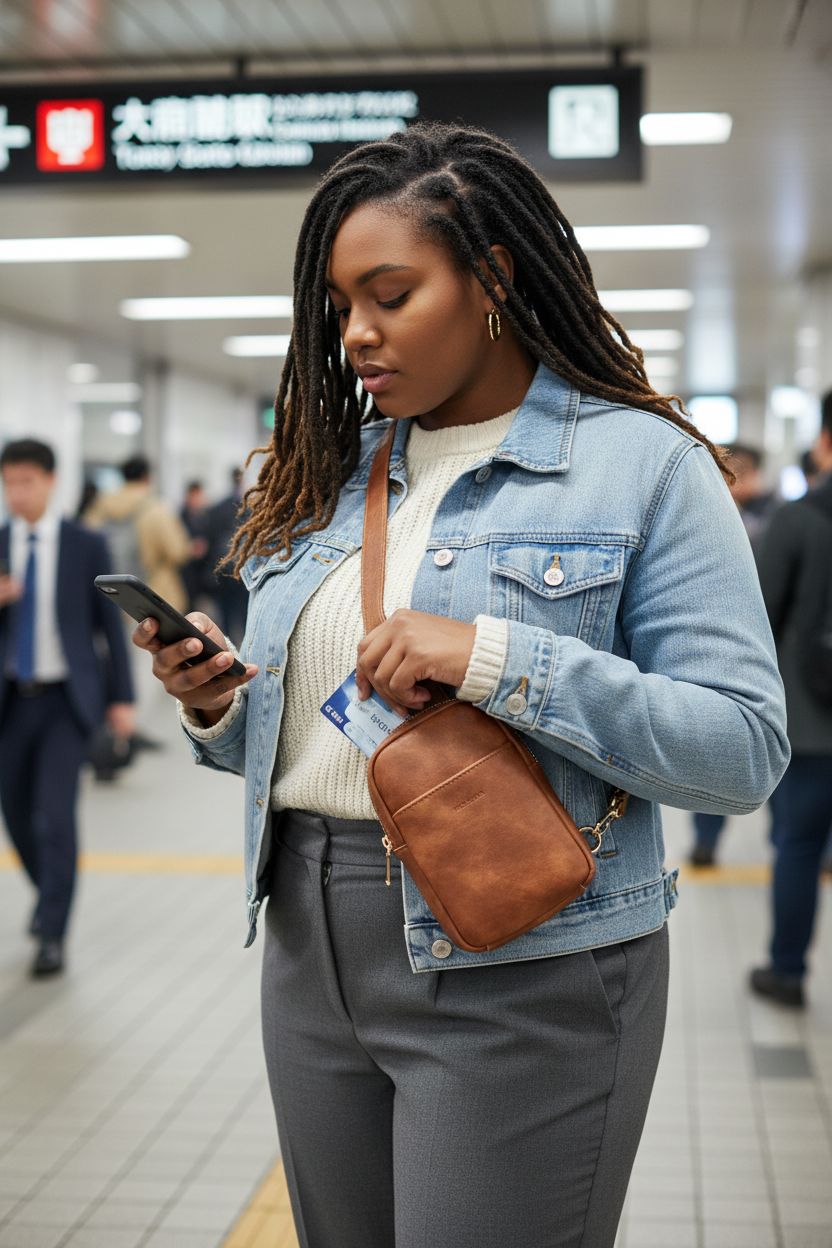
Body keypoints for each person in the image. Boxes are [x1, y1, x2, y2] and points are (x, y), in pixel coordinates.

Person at [132, 123, 788, 1248]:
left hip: (523, 961)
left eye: (390, 294)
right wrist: (218, 704)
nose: (356, 334)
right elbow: (331, 734)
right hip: (307, 948)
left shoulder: (644, 465)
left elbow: (740, 749)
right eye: (340, 305)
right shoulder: (329, 475)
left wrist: (496, 657)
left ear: (491, 279)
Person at [0, 439, 135, 977]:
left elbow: (110, 629)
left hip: (65, 703)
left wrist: (122, 699)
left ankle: (53, 931)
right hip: (11, 703)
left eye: (27, 482)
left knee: (56, 816)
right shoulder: (0, 542)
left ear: (51, 481)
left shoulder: (85, 544)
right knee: (14, 816)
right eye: (9, 483)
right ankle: (48, 891)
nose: (17, 493)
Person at [750, 390, 832, 1008]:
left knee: (798, 848)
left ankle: (787, 973)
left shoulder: (800, 518)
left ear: (823, 443)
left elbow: (760, 619)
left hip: (808, 722)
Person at [688, 440, 779, 866]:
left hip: (771, 654)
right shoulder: (695, 520)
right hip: (709, 652)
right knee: (708, 748)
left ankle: (782, 833)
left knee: (767, 754)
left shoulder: (775, 520)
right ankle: (706, 840)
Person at [86, 454, 191, 612]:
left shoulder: (100, 507)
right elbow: (177, 552)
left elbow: (86, 543)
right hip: (152, 598)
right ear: (147, 477)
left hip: (111, 595)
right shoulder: (157, 509)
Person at [206, 467, 248, 645]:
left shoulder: (218, 507)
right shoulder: (250, 506)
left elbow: (211, 539)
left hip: (224, 568)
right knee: (243, 614)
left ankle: (227, 648)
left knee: (226, 615)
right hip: (242, 569)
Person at [179, 479, 212, 612]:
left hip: (203, 572)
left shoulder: (205, 515)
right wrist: (190, 548)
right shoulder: (180, 516)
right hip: (188, 573)